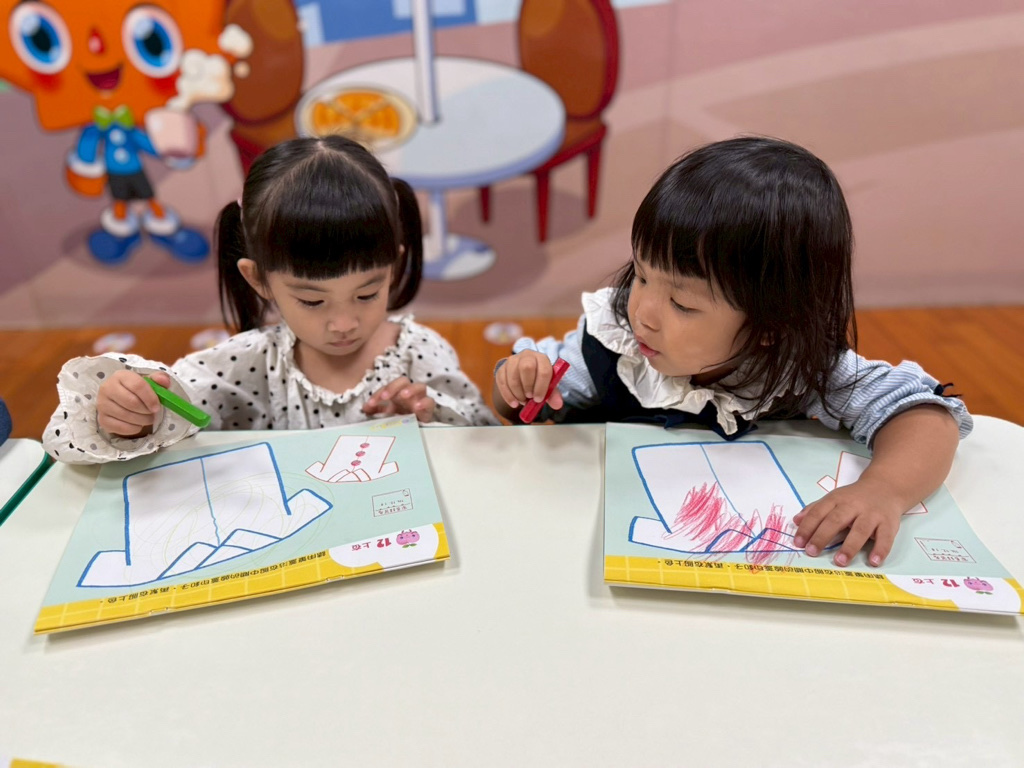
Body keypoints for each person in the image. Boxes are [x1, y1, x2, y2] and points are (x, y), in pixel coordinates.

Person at [493, 136, 971, 568]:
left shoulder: (796, 370)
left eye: (682, 304)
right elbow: (517, 412)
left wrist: (884, 489)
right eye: (640, 275)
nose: (643, 313)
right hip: (583, 541)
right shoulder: (613, 342)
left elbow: (924, 416)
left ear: (772, 326)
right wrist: (517, 382)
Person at [44, 135, 497, 465]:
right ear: (258, 279)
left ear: (393, 266)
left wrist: (428, 420)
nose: (344, 323)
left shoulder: (419, 352)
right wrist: (133, 415)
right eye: (312, 301)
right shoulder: (249, 363)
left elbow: (487, 439)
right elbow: (165, 414)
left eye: (367, 293)